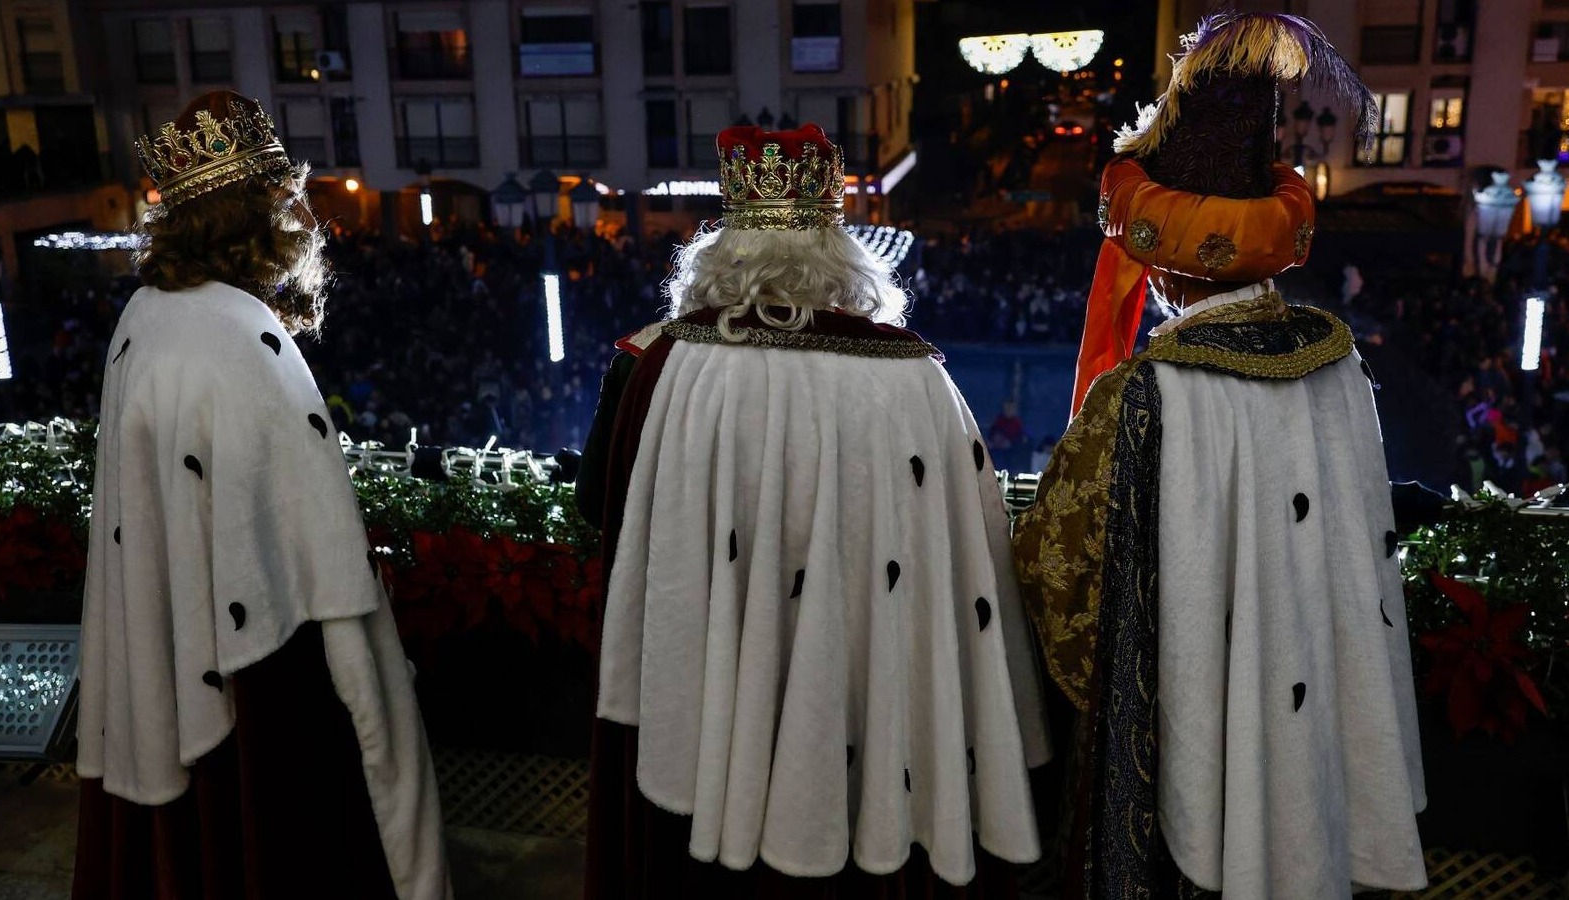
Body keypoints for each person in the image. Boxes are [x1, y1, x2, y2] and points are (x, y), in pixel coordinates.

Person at [579, 123, 1052, 898]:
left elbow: (599, 512)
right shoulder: (917, 378)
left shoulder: (653, 366)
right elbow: (964, 555)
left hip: (708, 685)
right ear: (839, 250)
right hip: (870, 691)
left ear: (722, 246)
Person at [1012, 14, 1426, 898]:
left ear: (1160, 266)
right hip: (1315, 720)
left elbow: (1061, 575)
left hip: (1194, 728)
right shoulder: (1339, 359)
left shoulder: (1143, 395)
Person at [72, 91, 450, 900]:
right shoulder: (239, 341)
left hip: (185, 642)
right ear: (254, 215)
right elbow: (302, 561)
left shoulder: (150, 311)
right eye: (288, 201)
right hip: (257, 676)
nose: (303, 219)